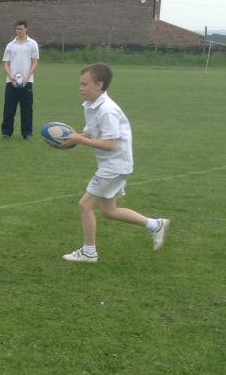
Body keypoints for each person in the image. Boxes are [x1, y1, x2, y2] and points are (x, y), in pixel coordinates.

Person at [60, 63, 169, 262]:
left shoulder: (107, 110)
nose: (80, 88)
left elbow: (109, 144)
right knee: (109, 211)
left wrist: (79, 139)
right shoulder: (91, 106)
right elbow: (92, 133)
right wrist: (73, 139)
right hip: (112, 165)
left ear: (99, 85)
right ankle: (156, 225)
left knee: (85, 205)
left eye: (84, 84)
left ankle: (89, 252)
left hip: (114, 165)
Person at [0, 21, 39, 140]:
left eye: (21, 29)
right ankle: (6, 132)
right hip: (11, 82)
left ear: (26, 29)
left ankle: (27, 133)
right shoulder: (10, 45)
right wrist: (11, 77)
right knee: (9, 108)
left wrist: (27, 78)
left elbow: (35, 62)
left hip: (27, 82)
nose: (19, 31)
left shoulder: (32, 44)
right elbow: (6, 64)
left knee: (27, 108)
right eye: (17, 29)